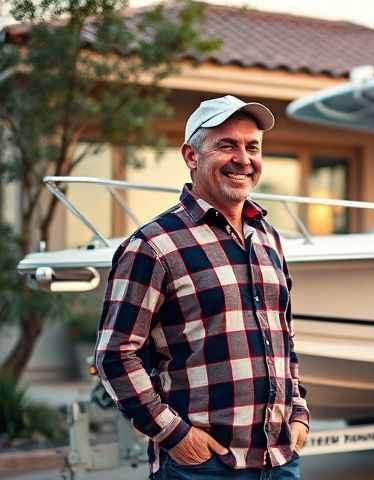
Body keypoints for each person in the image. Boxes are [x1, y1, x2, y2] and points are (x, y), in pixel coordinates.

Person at [95, 95, 310, 480]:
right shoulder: (154, 246)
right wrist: (175, 435)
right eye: (226, 145)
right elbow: (115, 355)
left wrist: (298, 414)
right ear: (191, 156)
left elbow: (284, 338)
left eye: (252, 147)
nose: (243, 158)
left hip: (278, 460)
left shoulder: (268, 238)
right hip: (204, 467)